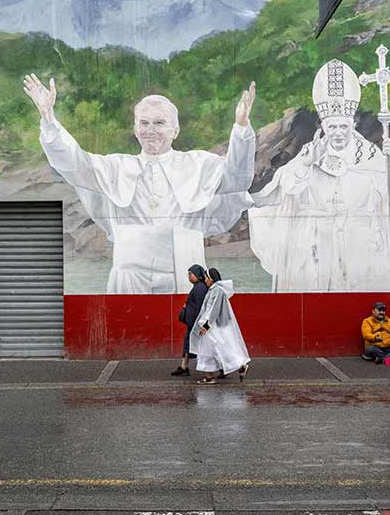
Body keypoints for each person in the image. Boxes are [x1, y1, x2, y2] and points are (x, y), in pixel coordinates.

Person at [23, 74, 257, 294]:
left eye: (159, 123)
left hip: (185, 268)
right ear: (136, 130)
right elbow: (74, 162)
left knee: (186, 333)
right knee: (126, 332)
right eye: (144, 123)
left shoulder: (199, 163)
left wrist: (242, 128)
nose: (150, 130)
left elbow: (237, 178)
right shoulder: (116, 167)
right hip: (131, 272)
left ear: (175, 130)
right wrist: (49, 119)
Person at [248, 58, 390, 292]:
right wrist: (308, 164)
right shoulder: (311, 153)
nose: (338, 133)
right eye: (332, 127)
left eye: (343, 127)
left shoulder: (370, 153)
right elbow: (285, 187)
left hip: (360, 242)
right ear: (323, 126)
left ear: (352, 125)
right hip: (320, 244)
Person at [190, 268, 250, 385]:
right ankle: (212, 375)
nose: (205, 280)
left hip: (214, 328)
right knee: (212, 350)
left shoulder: (217, 291)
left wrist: (206, 325)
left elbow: (214, 310)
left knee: (216, 349)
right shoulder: (213, 290)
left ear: (212, 279)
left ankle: (213, 375)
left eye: (206, 277)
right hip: (212, 327)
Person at [171, 264, 208, 377]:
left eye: (191, 274)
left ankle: (222, 368)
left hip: (196, 324)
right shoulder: (197, 287)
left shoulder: (200, 288)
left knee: (207, 347)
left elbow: (200, 307)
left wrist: (198, 323)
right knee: (188, 344)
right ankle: (184, 367)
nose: (189, 276)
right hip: (192, 323)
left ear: (197, 275)